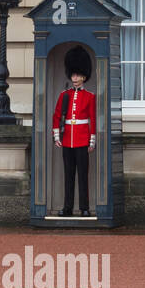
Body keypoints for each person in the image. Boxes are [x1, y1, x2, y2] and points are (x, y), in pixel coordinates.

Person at [52, 45, 97, 217]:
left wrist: (91, 140)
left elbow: (92, 118)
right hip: (67, 139)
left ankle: (84, 207)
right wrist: (57, 136)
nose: (75, 77)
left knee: (82, 176)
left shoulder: (90, 97)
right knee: (68, 176)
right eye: (73, 74)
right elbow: (56, 116)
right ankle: (68, 207)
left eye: (77, 74)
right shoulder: (64, 95)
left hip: (82, 139)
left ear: (84, 76)